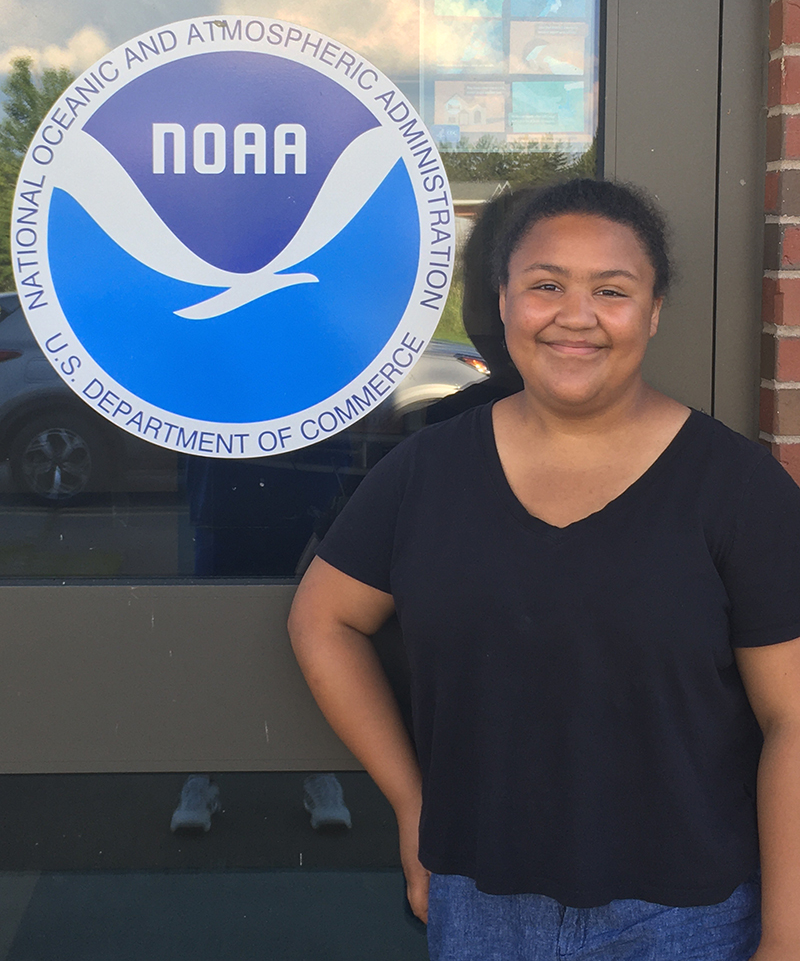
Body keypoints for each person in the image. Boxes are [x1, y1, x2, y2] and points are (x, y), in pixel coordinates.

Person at [287, 177, 800, 960]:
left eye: (612, 289)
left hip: (690, 920)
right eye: (546, 284)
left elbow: (792, 719)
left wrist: (786, 937)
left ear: (654, 310)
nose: (576, 314)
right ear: (502, 302)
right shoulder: (428, 471)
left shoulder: (736, 488)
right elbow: (324, 620)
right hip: (479, 908)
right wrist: (411, 802)